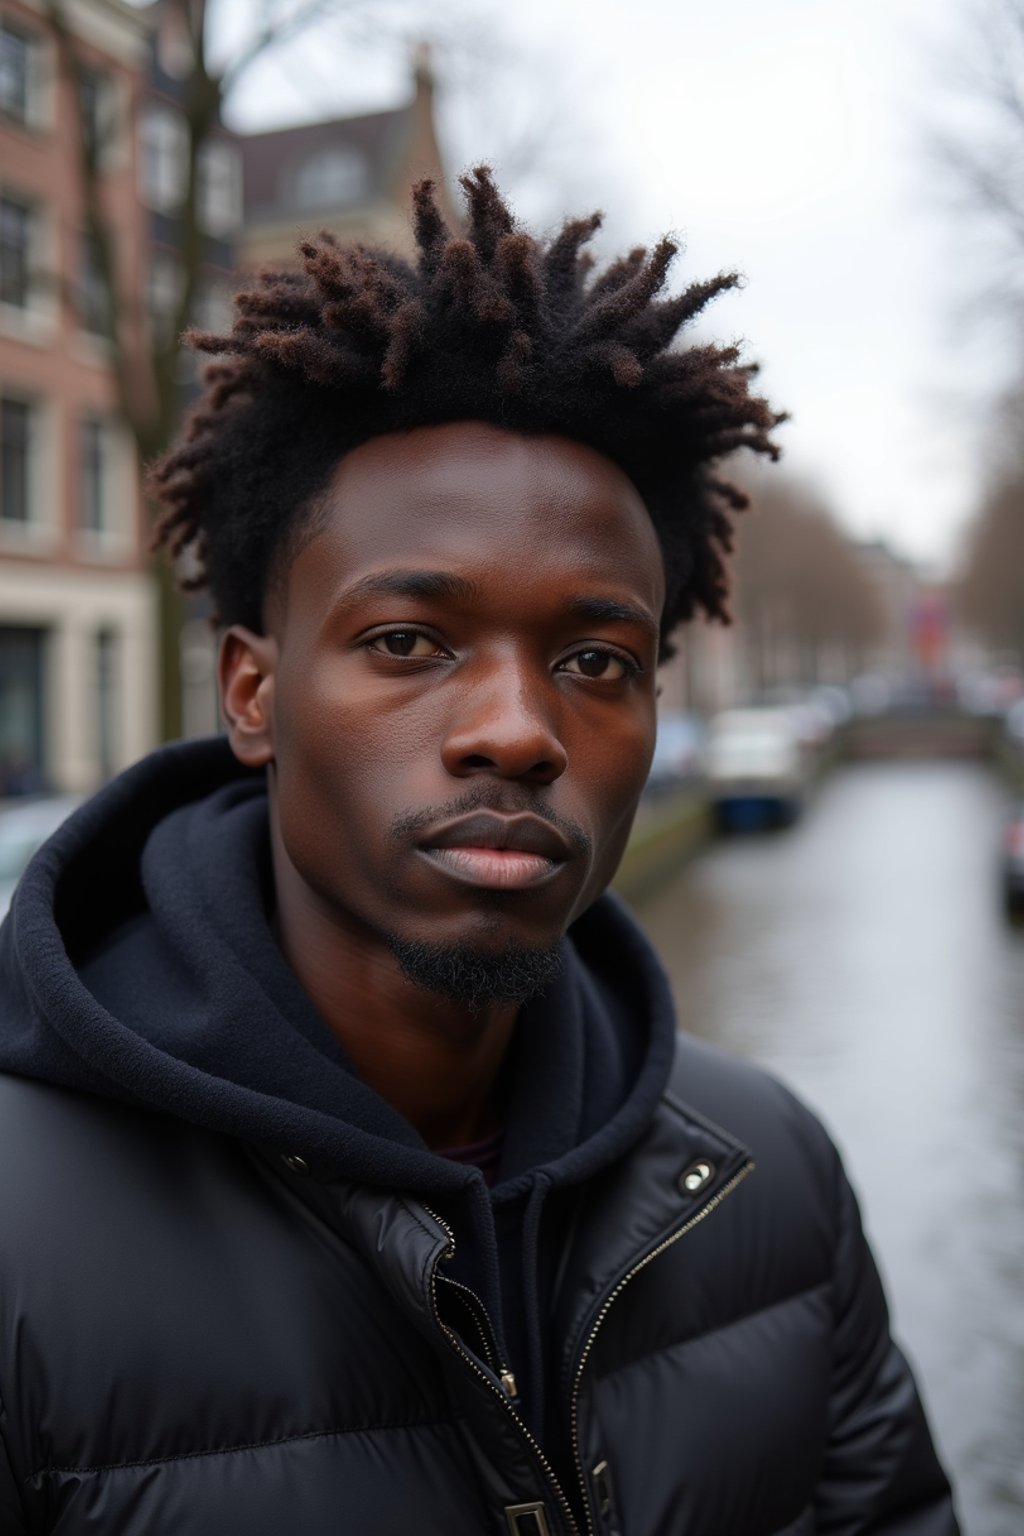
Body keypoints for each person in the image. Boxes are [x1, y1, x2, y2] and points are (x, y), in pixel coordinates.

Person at [0, 169, 958, 1536]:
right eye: (409, 642)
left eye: (594, 659)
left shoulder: (772, 1177)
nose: (519, 732)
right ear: (252, 695)